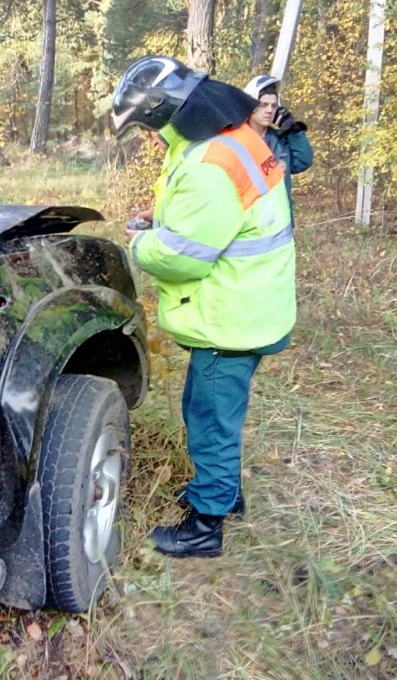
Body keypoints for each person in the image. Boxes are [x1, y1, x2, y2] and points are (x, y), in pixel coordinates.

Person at [112, 56, 296, 559]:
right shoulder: (231, 138)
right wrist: (165, 215)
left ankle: (206, 525)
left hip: (229, 319)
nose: (150, 137)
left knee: (211, 421)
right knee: (215, 411)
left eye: (149, 126)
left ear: (167, 111)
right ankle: (224, 495)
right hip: (255, 305)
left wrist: (138, 242)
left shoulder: (208, 165)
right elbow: (224, 212)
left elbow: (181, 257)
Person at [243, 75, 313, 227]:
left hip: (279, 222)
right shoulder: (236, 140)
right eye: (263, 105)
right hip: (247, 223)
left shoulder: (279, 140)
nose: (269, 110)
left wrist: (293, 129)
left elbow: (303, 161)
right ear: (250, 106)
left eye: (273, 106)